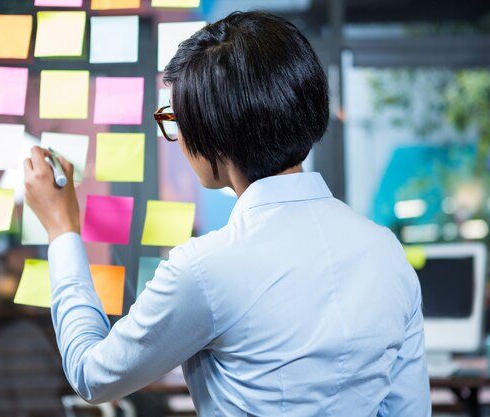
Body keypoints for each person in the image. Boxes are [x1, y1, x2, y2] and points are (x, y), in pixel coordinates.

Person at [24, 11, 431, 417]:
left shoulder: (204, 270)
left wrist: (62, 229)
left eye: (177, 120)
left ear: (212, 132)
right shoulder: (386, 253)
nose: (179, 138)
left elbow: (91, 374)